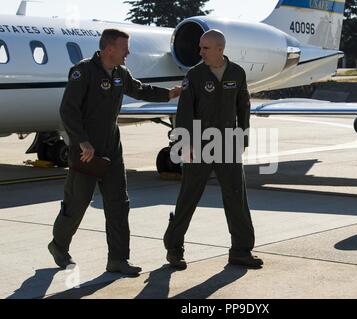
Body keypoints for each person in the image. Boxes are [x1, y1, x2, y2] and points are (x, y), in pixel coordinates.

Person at [48, 29, 181, 277]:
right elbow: (68, 110)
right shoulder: (83, 71)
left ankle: (118, 259)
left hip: (112, 146)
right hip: (87, 151)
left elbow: (138, 89)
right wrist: (82, 142)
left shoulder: (120, 73)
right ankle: (58, 245)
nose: (128, 52)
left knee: (119, 203)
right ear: (109, 49)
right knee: (78, 202)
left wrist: (168, 94)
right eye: (124, 48)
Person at [163, 29, 263, 270]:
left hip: (228, 143)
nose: (200, 52)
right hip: (199, 145)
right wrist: (185, 145)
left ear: (220, 49)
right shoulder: (194, 75)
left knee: (236, 198)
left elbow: (244, 108)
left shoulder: (237, 73)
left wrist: (243, 139)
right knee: (188, 197)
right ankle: (174, 248)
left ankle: (241, 250)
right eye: (200, 47)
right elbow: (184, 112)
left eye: (205, 48)